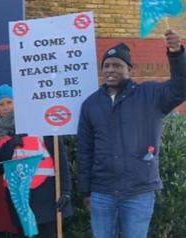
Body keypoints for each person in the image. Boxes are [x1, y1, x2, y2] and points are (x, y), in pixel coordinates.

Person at [77, 29, 186, 238]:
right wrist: (85, 191)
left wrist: (176, 53)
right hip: (102, 193)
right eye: (106, 65)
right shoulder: (90, 105)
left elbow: (180, 88)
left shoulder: (150, 95)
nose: (111, 69)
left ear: (129, 69)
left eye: (117, 65)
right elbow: (85, 150)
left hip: (138, 193)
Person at [0, 84, 73, 238]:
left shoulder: (39, 122)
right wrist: (11, 143)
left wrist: (66, 191)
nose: (6, 107)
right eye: (1, 104)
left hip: (44, 192)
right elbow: (0, 162)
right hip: (18, 195)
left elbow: (59, 157)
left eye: (9, 102)